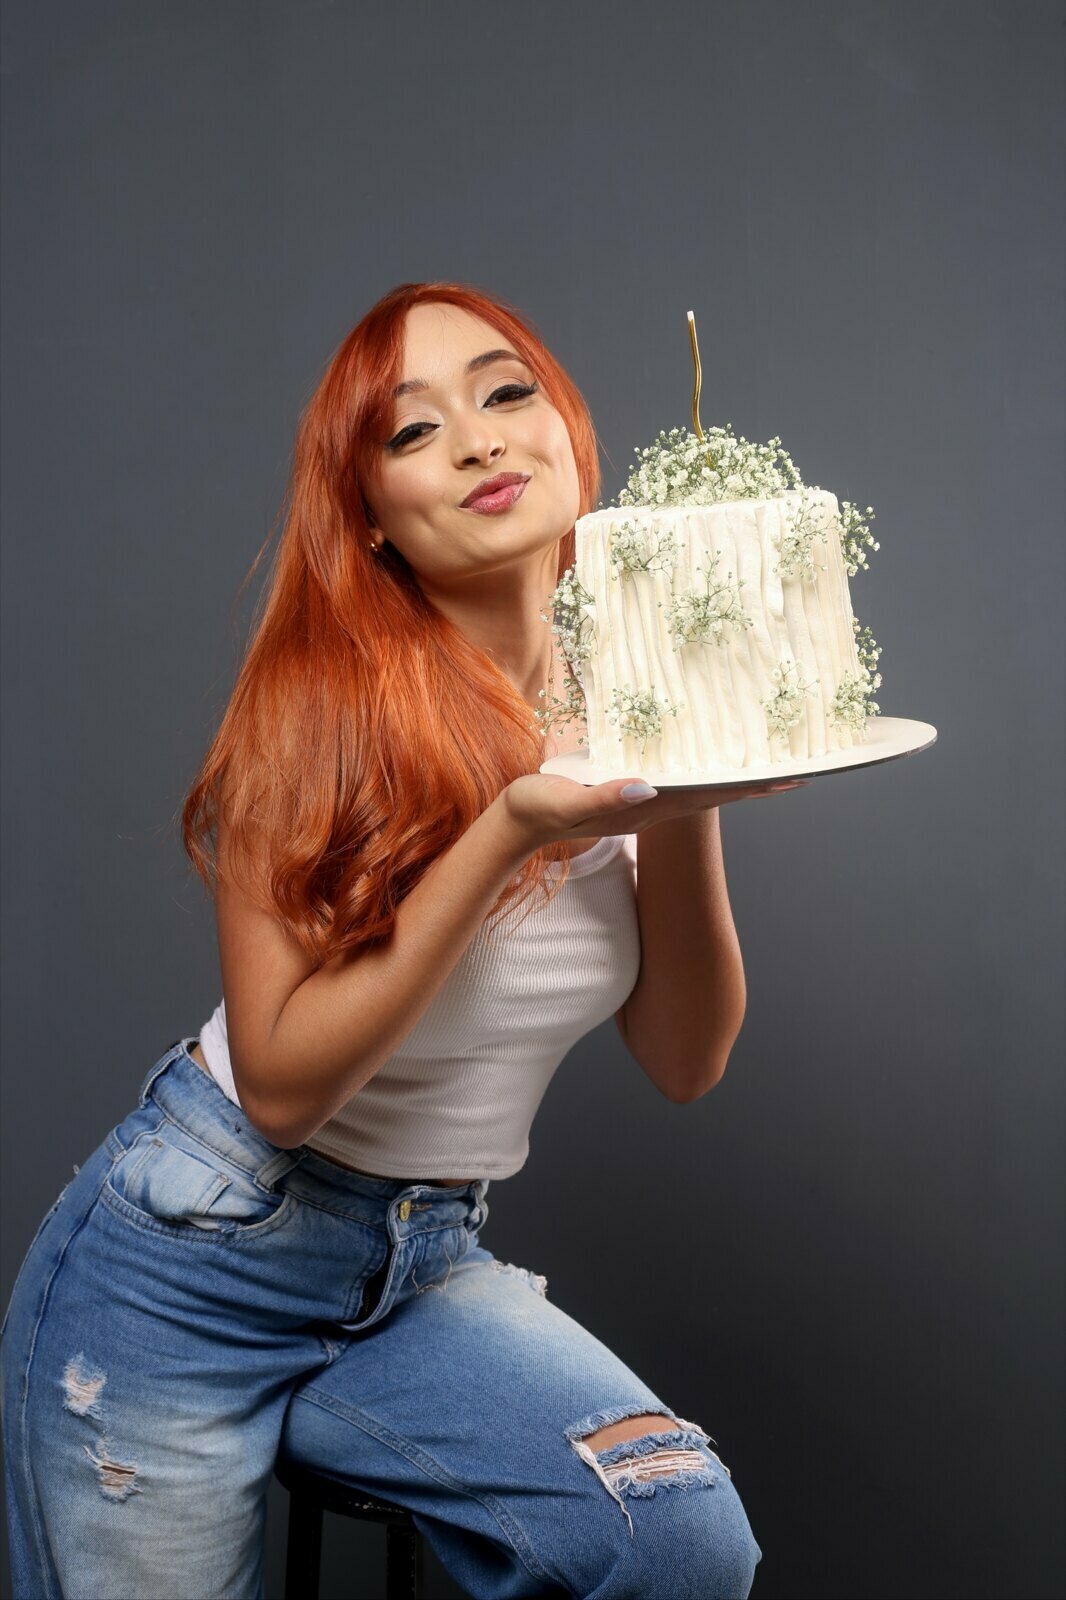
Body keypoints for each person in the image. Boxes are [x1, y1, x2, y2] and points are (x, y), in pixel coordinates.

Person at [1, 281, 793, 1599]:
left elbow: (684, 1060)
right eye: (413, 430)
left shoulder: (630, 693)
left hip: (419, 1264)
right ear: (366, 513)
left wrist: (685, 799)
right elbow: (281, 1083)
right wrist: (504, 833)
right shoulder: (311, 730)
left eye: (503, 393)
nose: (481, 441)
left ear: (568, 432)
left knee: (674, 1538)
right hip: (186, 1274)